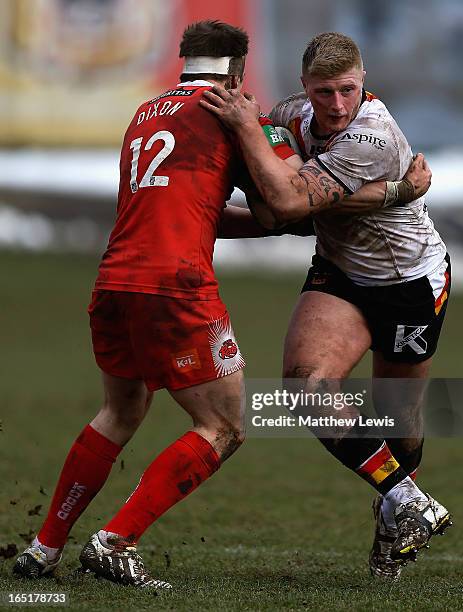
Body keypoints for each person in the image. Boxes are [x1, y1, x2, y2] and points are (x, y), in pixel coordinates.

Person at [12, 20, 303, 590]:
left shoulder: (145, 113)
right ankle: (114, 542)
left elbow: (182, 209)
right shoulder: (235, 112)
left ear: (184, 60)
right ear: (238, 70)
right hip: (175, 287)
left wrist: (267, 226)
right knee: (223, 423)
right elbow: (284, 200)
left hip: (115, 280)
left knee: (120, 411)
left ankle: (44, 549)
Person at [201, 31, 452, 580]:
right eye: (322, 93)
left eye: (346, 91)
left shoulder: (376, 137)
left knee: (399, 418)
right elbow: (278, 200)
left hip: (409, 279)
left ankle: (392, 518)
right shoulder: (294, 115)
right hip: (340, 271)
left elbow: (288, 201)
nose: (335, 106)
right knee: (304, 388)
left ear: (364, 84)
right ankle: (408, 498)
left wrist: (252, 139)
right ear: (304, 89)